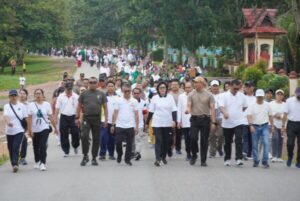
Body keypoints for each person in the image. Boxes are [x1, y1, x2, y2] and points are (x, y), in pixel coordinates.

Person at [76, 77, 108, 166]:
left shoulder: (101, 94)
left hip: (97, 118)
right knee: (84, 137)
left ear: (97, 83)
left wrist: (106, 119)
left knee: (96, 138)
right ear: (88, 83)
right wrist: (77, 117)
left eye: (94, 82)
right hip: (86, 118)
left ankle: (94, 157)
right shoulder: (84, 94)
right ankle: (85, 155)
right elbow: (78, 106)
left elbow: (105, 107)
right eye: (91, 82)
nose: (92, 84)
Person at [187, 77, 216, 167]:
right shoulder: (191, 94)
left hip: (205, 119)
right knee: (193, 138)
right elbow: (189, 105)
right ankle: (194, 154)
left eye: (196, 82)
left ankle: (203, 160)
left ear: (202, 83)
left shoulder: (209, 95)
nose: (194, 84)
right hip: (194, 119)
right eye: (194, 83)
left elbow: (212, 109)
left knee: (204, 140)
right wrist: (188, 110)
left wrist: (213, 122)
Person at [146, 81, 177, 167]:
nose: (162, 89)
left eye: (164, 88)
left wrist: (174, 120)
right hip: (157, 122)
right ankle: (157, 158)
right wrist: (147, 122)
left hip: (167, 122)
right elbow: (151, 111)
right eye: (160, 88)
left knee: (166, 141)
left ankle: (163, 157)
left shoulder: (170, 97)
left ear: (166, 89)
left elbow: (174, 110)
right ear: (158, 89)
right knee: (158, 140)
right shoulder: (154, 98)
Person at [28, 89, 57, 171]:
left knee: (42, 145)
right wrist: (30, 130)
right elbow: (29, 118)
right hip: (34, 128)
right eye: (36, 93)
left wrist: (55, 128)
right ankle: (37, 161)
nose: (38, 95)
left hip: (44, 127)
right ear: (34, 95)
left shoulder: (47, 104)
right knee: (35, 146)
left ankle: (43, 163)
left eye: (39, 93)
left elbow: (51, 117)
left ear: (43, 95)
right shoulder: (31, 105)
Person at [220, 79, 247, 166]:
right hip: (227, 123)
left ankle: (239, 158)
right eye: (235, 88)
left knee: (239, 139)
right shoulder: (223, 95)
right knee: (228, 141)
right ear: (231, 86)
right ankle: (227, 158)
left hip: (239, 122)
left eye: (238, 89)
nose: (236, 90)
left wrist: (237, 114)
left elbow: (244, 107)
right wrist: (225, 113)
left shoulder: (242, 96)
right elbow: (221, 107)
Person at [111, 83, 139, 166]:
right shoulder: (118, 100)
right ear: (122, 91)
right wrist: (113, 125)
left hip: (130, 125)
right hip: (119, 125)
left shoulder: (134, 101)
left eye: (128, 91)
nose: (127, 93)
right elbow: (115, 113)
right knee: (118, 142)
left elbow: (136, 114)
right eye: (125, 91)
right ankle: (119, 154)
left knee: (129, 144)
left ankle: (127, 159)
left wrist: (136, 126)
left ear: (131, 91)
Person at [247, 89, 274, 168]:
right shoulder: (252, 105)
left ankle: (265, 161)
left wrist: (272, 126)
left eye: (261, 97)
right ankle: (256, 160)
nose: (260, 98)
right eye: (258, 97)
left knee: (266, 143)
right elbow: (248, 115)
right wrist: (250, 125)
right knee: (255, 145)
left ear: (263, 96)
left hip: (265, 126)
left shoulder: (267, 105)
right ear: (256, 96)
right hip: (255, 126)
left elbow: (271, 116)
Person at [3, 90, 28, 173]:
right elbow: (5, 116)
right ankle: (12, 163)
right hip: (9, 131)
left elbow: (25, 118)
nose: (13, 97)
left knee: (15, 147)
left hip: (19, 130)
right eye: (11, 96)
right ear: (9, 97)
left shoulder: (22, 106)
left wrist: (29, 129)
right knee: (10, 148)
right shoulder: (6, 106)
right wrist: (8, 122)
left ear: (17, 96)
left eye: (14, 95)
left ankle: (15, 164)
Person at [54, 82, 80, 157]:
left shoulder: (76, 96)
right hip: (64, 117)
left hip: (73, 116)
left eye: (70, 89)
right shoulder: (61, 96)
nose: (69, 90)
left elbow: (78, 108)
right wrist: (55, 118)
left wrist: (78, 118)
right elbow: (57, 108)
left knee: (75, 133)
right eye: (68, 89)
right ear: (65, 88)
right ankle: (66, 151)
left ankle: (75, 146)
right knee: (64, 134)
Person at [99, 81, 118, 160]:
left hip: (114, 121)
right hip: (104, 120)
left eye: (112, 86)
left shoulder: (118, 98)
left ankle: (111, 154)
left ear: (114, 87)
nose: (110, 87)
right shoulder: (102, 97)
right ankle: (102, 154)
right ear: (106, 87)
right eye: (109, 86)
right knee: (103, 137)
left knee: (111, 139)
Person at [282, 87, 300, 168]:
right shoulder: (289, 101)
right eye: (298, 95)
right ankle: (290, 156)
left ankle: (298, 161)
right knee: (290, 143)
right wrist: (283, 125)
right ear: (295, 93)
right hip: (291, 124)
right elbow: (285, 114)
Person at [177, 81, 192, 161]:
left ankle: (194, 152)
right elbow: (179, 109)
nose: (188, 89)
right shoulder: (181, 96)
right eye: (186, 87)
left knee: (193, 138)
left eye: (189, 87)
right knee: (187, 139)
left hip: (194, 121)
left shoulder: (195, 95)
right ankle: (188, 153)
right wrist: (178, 121)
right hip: (185, 121)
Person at [269, 89, 286, 163]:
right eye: (278, 94)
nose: (279, 95)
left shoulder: (285, 104)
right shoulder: (271, 104)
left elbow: (286, 115)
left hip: (282, 124)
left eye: (281, 94)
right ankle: (274, 155)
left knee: (280, 140)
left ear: (283, 96)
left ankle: (279, 156)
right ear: (275, 95)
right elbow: (269, 113)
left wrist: (281, 116)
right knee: (275, 138)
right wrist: (275, 114)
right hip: (273, 123)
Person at [209, 80, 224, 158]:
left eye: (216, 86)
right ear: (210, 87)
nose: (215, 87)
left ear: (219, 87)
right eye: (213, 86)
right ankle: (212, 152)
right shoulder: (208, 95)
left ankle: (219, 147)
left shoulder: (223, 95)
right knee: (212, 135)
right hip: (211, 116)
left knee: (221, 135)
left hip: (221, 117)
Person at [242, 80, 256, 160]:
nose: (247, 88)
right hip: (243, 121)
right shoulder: (242, 97)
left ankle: (250, 154)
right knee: (245, 137)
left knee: (252, 138)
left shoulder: (255, 98)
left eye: (249, 86)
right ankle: (244, 151)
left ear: (253, 88)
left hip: (253, 121)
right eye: (246, 87)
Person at [169, 79, 183, 156]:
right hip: (171, 116)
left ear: (178, 85)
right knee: (171, 133)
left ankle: (178, 148)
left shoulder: (182, 93)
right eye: (173, 85)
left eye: (175, 84)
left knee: (178, 133)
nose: (174, 86)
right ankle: (170, 147)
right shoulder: (169, 94)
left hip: (179, 115)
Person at [132, 87, 147, 160]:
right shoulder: (130, 102)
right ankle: (132, 152)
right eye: (134, 93)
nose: (136, 94)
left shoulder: (143, 103)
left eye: (138, 93)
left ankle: (137, 152)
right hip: (130, 124)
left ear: (140, 94)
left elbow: (145, 114)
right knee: (131, 140)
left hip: (139, 124)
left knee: (138, 139)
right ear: (132, 94)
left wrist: (145, 124)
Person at [19, 89, 29, 165]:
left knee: (24, 139)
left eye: (24, 93)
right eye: (21, 93)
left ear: (26, 95)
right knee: (23, 140)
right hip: (18, 124)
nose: (22, 95)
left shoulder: (29, 105)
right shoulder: (16, 104)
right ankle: (21, 157)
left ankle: (22, 157)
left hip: (27, 123)